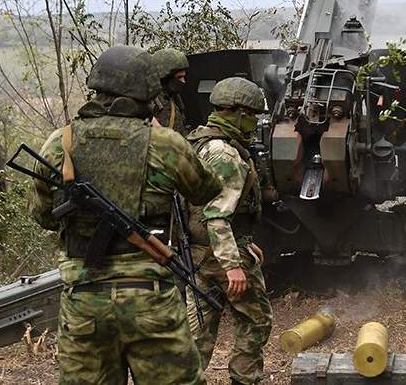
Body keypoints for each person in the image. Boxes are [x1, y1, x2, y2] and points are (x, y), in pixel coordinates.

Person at [28, 46, 223, 385]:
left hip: (84, 300)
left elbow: (44, 216)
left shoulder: (61, 144)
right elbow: (206, 190)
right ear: (148, 93)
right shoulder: (165, 143)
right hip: (150, 296)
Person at [185, 77, 273, 384]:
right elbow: (217, 216)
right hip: (220, 257)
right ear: (237, 113)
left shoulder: (199, 142)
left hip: (196, 254)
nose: (254, 123)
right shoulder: (226, 154)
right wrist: (233, 265)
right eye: (253, 115)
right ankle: (244, 380)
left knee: (198, 332)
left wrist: (245, 242)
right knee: (255, 321)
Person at [151, 48, 190, 135]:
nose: (183, 81)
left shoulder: (173, 98)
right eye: (179, 77)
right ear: (165, 77)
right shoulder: (150, 101)